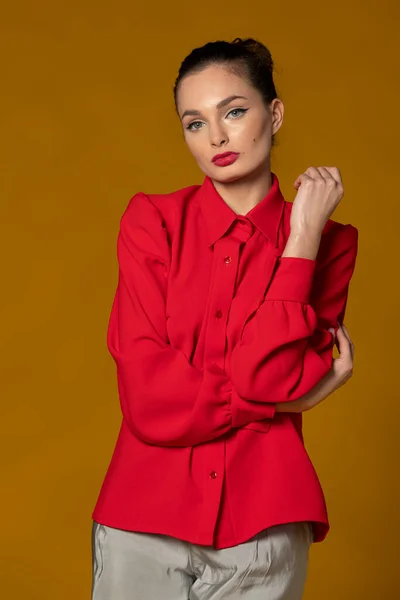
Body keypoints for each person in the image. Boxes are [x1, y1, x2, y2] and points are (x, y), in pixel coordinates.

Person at [91, 37, 358, 600]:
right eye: (195, 122)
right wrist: (277, 402)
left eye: (234, 112)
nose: (215, 137)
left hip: (264, 523)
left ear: (274, 113)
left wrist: (302, 237)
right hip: (142, 520)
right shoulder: (151, 223)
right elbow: (145, 391)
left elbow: (266, 375)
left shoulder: (329, 245)